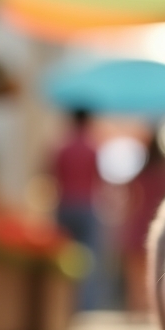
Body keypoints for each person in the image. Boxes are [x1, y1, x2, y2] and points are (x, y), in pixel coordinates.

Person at [122, 141, 165, 314]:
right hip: (158, 222)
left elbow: (130, 198)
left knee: (135, 270)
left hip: (139, 222)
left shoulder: (140, 174)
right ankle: (152, 307)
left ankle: (136, 306)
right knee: (156, 269)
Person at [53, 109, 101, 310]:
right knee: (88, 258)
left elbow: (53, 174)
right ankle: (84, 305)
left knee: (63, 255)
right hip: (86, 206)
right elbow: (98, 177)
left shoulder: (61, 147)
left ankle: (63, 303)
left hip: (64, 205)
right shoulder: (92, 148)